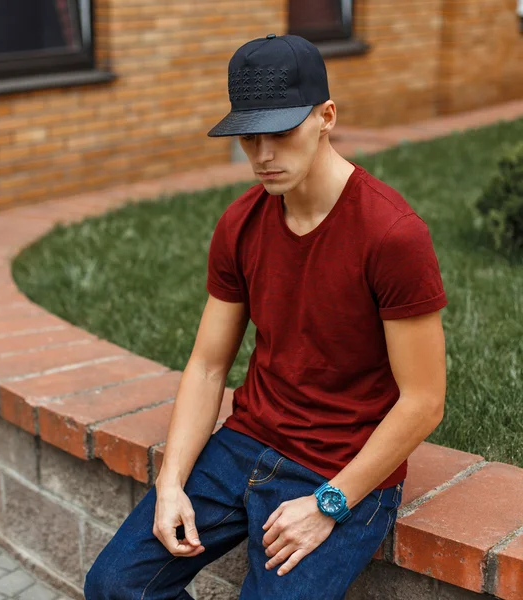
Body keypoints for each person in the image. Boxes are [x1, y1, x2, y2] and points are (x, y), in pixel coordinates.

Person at [84, 33, 448, 600]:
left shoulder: (392, 234)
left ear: (326, 115)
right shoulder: (241, 223)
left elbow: (424, 401)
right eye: (249, 137)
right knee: (114, 585)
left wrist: (329, 503)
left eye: (281, 132)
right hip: (245, 442)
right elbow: (208, 366)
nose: (264, 155)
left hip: (340, 466)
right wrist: (172, 482)